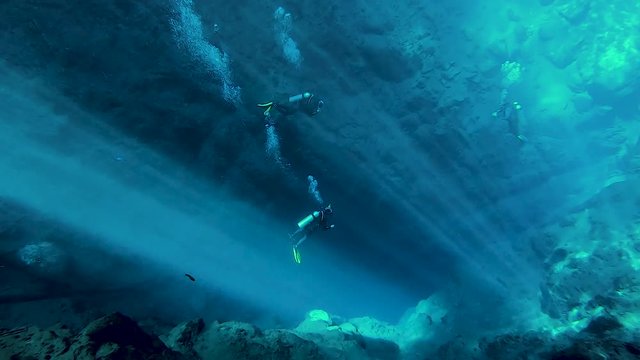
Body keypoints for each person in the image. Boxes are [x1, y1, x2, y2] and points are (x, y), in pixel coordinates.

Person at [257, 91, 324, 122]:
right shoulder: (310, 96)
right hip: (297, 103)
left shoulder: (315, 108)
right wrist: (289, 100)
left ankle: (274, 105)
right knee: (288, 110)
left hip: (298, 107)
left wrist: (316, 111)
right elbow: (299, 97)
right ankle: (274, 104)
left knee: (287, 113)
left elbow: (310, 114)